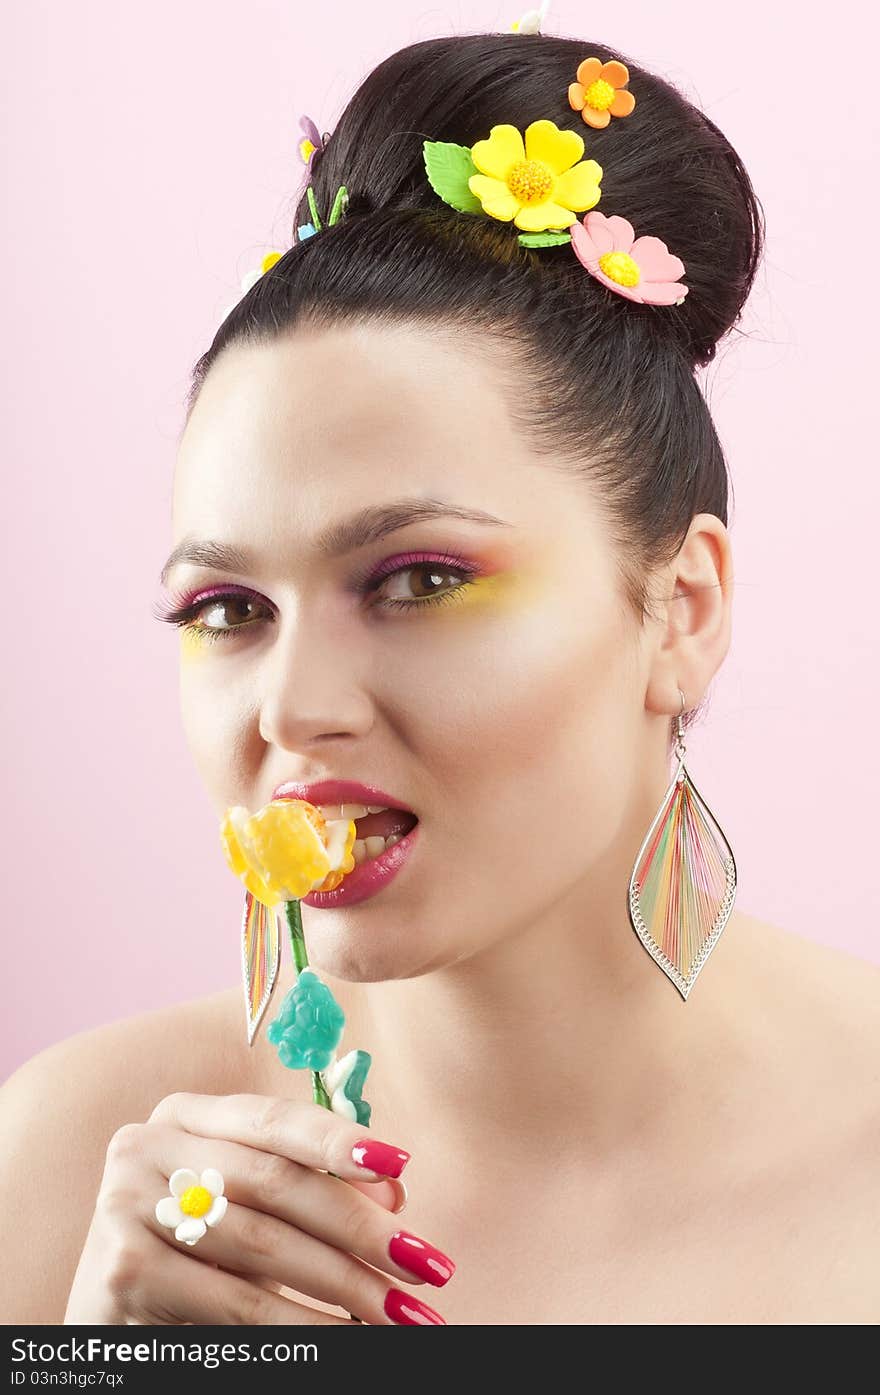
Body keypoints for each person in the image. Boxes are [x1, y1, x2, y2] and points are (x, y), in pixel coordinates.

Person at [2, 31, 878, 1328]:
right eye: (228, 607)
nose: (293, 709)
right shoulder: (71, 1166)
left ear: (680, 611)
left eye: (418, 581)